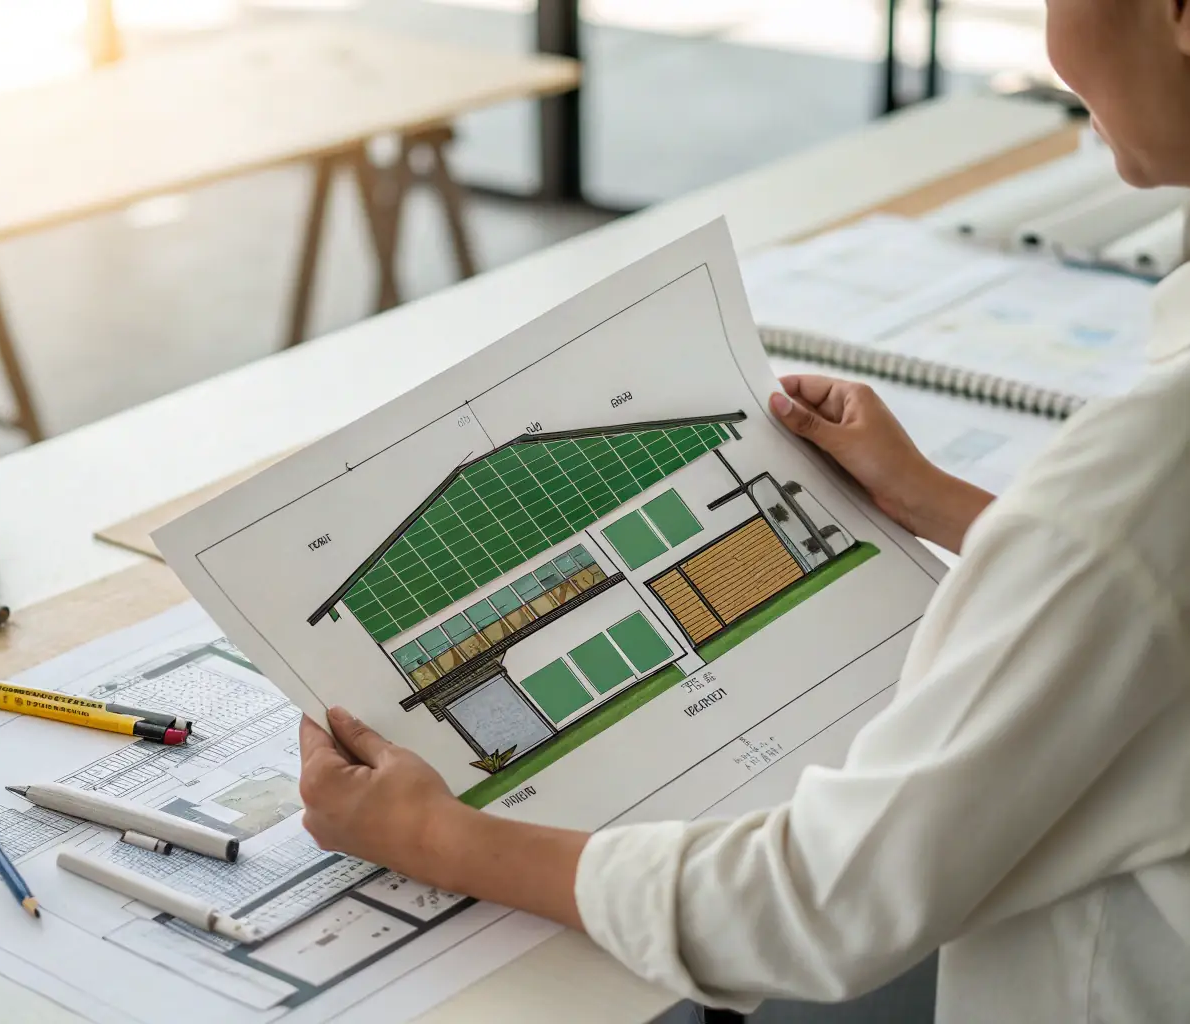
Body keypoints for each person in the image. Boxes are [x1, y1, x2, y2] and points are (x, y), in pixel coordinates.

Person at [298, 1, 1190, 1019]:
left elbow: (822, 901)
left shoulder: (1142, 472)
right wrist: (938, 503)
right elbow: (1151, 608)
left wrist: (435, 836)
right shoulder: (1133, 501)